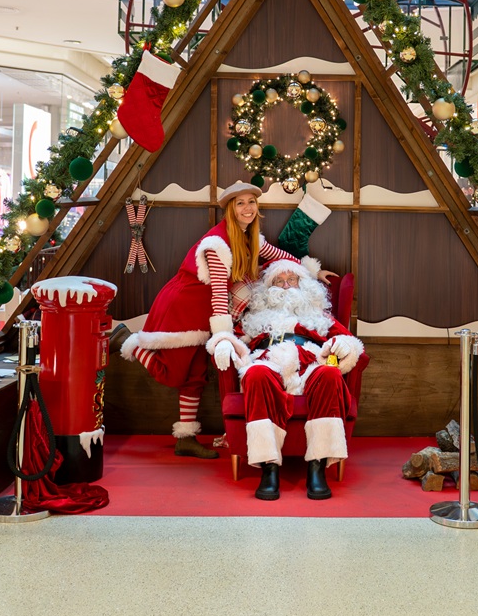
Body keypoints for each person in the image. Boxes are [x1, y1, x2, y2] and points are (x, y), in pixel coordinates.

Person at [120, 181, 325, 459]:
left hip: (203, 312)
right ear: (230, 209)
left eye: (251, 202)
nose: (247, 208)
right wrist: (223, 335)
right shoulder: (218, 244)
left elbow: (280, 257)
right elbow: (218, 291)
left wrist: (311, 272)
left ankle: (185, 439)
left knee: (195, 376)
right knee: (173, 372)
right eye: (240, 203)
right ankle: (128, 342)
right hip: (184, 307)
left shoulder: (250, 237)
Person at [227, 258, 363, 501]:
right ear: (268, 289)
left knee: (330, 374)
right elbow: (234, 339)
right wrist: (223, 344)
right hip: (269, 361)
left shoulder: (319, 316)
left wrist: (342, 347)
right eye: (279, 281)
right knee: (256, 373)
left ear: (303, 285)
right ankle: (269, 468)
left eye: (292, 280)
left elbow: (350, 341)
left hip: (310, 362)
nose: (286, 286)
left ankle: (318, 466)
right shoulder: (256, 318)